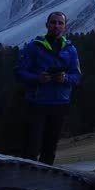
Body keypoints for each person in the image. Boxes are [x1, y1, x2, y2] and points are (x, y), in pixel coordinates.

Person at [15, 11, 81, 165]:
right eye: (53, 22)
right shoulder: (33, 47)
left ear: (65, 26)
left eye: (60, 23)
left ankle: (43, 184)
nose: (56, 25)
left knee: (50, 149)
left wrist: (65, 79)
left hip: (59, 104)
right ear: (47, 25)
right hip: (37, 103)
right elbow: (19, 72)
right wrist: (37, 78)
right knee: (31, 147)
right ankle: (25, 184)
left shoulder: (71, 49)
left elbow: (77, 76)